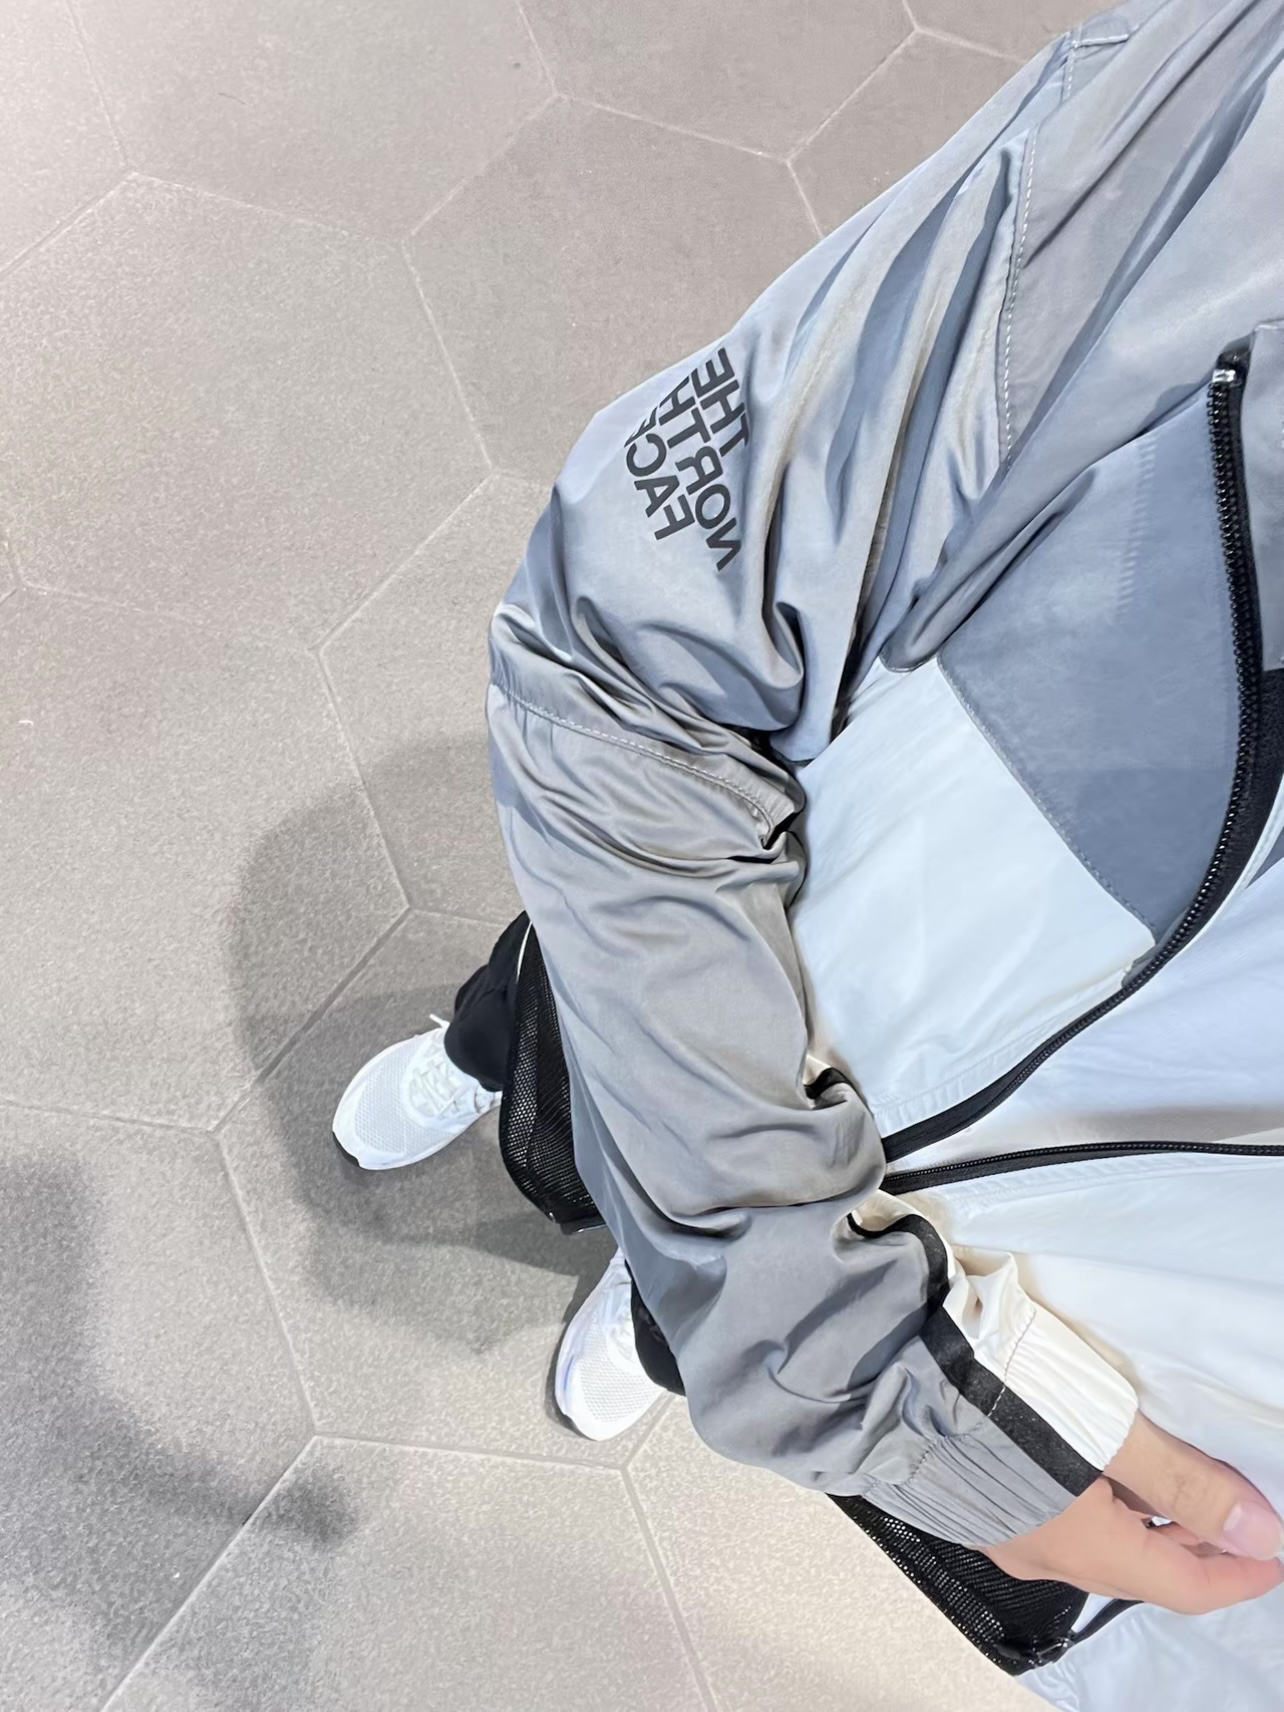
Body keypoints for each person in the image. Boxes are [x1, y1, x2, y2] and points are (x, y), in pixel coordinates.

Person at [335, 0, 1284, 1702]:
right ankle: (477, 1062)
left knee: (695, 1288)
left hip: (992, 1305)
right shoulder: (1244, 128)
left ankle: (670, 1312)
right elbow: (629, 653)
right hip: (755, 912)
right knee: (552, 1003)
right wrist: (814, 1338)